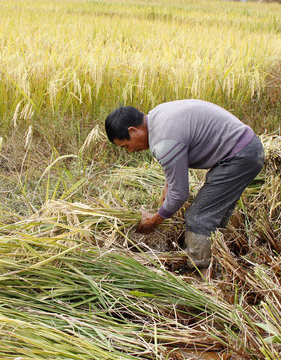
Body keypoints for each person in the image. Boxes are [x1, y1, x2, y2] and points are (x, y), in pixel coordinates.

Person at [105, 99, 264, 270]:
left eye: (126, 145)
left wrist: (154, 220)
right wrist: (169, 183)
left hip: (240, 156)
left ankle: (201, 272)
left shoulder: (163, 142)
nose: (130, 151)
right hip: (245, 148)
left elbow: (180, 194)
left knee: (198, 217)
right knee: (213, 212)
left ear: (133, 130)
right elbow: (181, 147)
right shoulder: (158, 115)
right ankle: (218, 255)